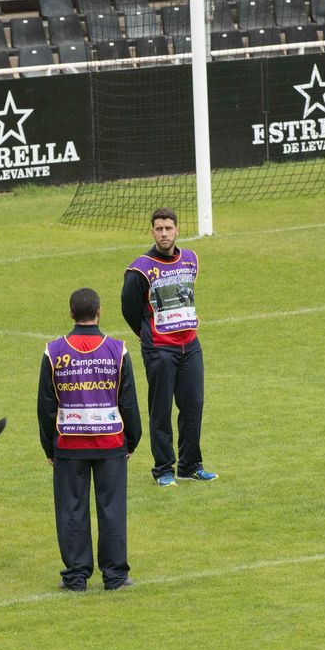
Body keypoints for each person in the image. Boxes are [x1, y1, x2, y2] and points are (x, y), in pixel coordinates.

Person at [38, 288, 142, 592]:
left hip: (69, 444)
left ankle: (75, 577)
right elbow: (129, 402)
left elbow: (46, 406)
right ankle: (115, 576)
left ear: (71, 313)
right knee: (112, 510)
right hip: (111, 442)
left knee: (71, 511)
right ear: (99, 312)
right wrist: (132, 440)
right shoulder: (117, 350)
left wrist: (49, 446)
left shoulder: (54, 351)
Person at [122, 207, 217, 487]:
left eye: (168, 228)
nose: (164, 233)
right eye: (159, 229)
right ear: (152, 232)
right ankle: (163, 469)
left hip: (191, 346)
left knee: (193, 406)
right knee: (161, 410)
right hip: (160, 349)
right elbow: (129, 307)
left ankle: (190, 466)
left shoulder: (190, 259)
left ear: (177, 230)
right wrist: (146, 334)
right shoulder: (140, 268)